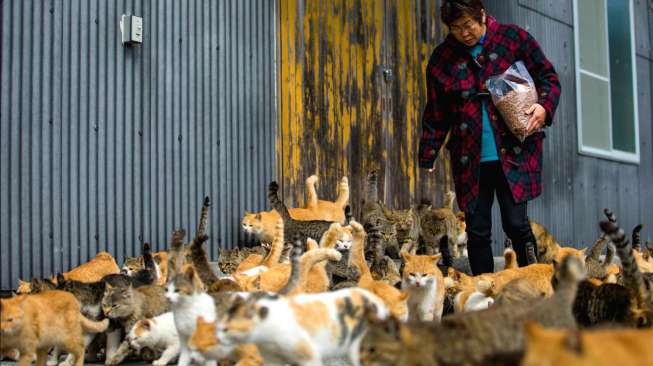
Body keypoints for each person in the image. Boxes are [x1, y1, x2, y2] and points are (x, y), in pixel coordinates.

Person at [418, 0, 560, 274]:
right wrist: (428, 152)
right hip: (469, 158)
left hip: (515, 151)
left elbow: (548, 78)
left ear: (481, 15)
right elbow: (436, 112)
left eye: (468, 24)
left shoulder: (513, 38)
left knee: (516, 224)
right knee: (477, 230)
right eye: (456, 28)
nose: (464, 33)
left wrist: (544, 107)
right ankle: (483, 293)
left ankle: (532, 285)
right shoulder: (442, 59)